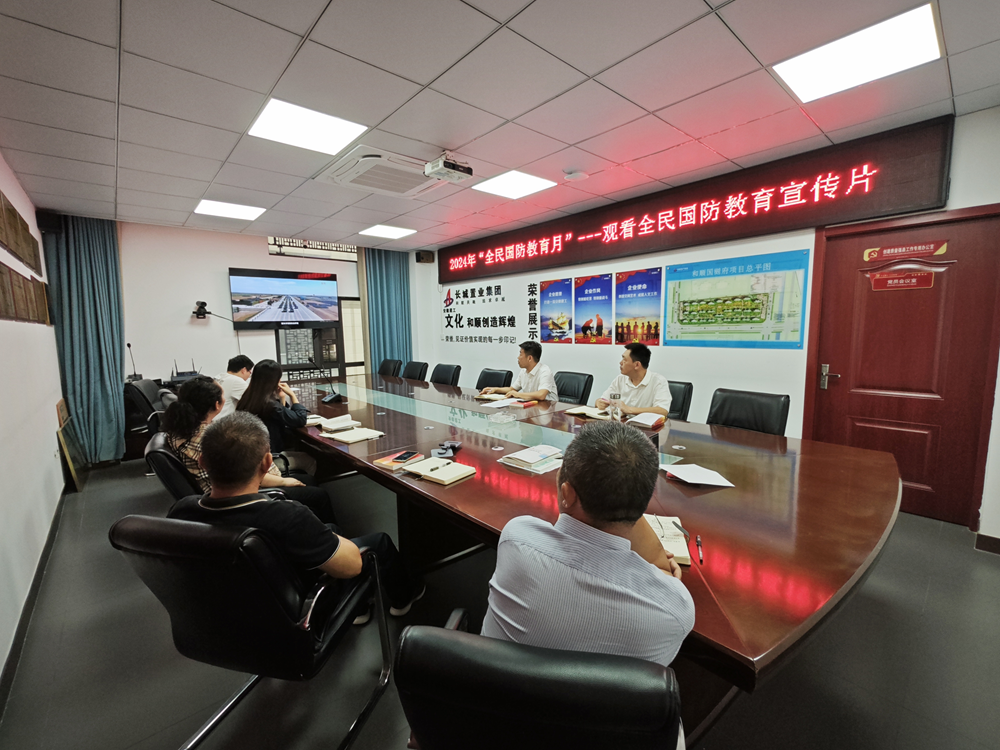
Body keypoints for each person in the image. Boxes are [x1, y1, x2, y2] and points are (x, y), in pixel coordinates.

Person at [168, 412, 425, 620]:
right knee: (378, 543)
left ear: (202, 462)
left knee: (331, 527)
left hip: (226, 614)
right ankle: (400, 598)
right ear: (267, 463)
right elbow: (352, 566)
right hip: (298, 608)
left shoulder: (182, 511)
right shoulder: (286, 516)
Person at [481, 420, 695, 669]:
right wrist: (629, 496)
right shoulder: (675, 609)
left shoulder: (517, 538)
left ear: (567, 494)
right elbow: (661, 569)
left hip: (489, 689)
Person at [161, 376, 335, 523]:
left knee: (307, 481)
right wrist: (283, 482)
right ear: (217, 404)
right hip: (239, 498)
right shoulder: (210, 438)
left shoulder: (180, 429)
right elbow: (242, 475)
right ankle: (328, 534)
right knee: (319, 495)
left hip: (223, 493)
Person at [236, 359, 317, 476]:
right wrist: (293, 396)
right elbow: (299, 420)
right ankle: (301, 484)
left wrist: (282, 398)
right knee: (310, 461)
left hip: (252, 457)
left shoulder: (248, 398)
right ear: (274, 380)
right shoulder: (269, 404)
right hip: (270, 461)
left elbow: (282, 417)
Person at [595, 343, 672, 418]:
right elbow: (603, 399)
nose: (620, 362)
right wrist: (599, 402)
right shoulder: (620, 379)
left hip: (645, 425)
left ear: (637, 365)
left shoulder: (658, 381)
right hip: (623, 423)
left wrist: (629, 409)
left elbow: (663, 411)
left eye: (624, 360)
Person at [479, 341, 558, 402]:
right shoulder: (523, 371)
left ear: (529, 358)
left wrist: (518, 394)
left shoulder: (545, 371)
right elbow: (512, 389)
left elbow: (541, 395)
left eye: (520, 354)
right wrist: (495, 390)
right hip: (532, 405)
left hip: (549, 409)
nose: (518, 357)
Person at [214, 354, 254, 420]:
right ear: (244, 370)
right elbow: (252, 402)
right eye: (250, 372)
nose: (249, 376)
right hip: (223, 422)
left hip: (211, 420)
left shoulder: (218, 377)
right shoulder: (237, 381)